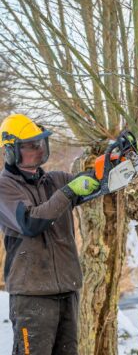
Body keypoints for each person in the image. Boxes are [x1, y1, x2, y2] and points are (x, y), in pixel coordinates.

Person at [0, 114, 100, 355]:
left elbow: (94, 185)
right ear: (11, 152)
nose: (36, 150)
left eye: (39, 144)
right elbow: (31, 222)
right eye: (29, 146)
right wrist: (67, 192)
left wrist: (112, 164)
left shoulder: (55, 180)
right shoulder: (5, 187)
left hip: (66, 290)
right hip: (32, 295)